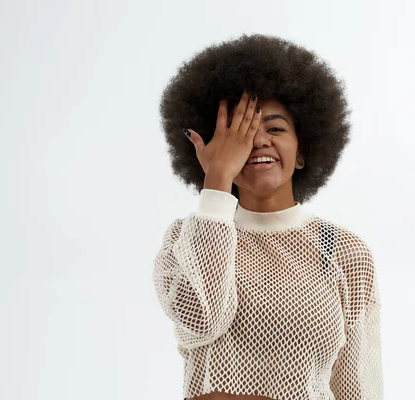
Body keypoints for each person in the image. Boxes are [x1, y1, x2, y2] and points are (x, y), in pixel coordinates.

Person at [153, 33, 384, 400]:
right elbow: (202, 319)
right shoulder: (186, 239)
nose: (257, 142)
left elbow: (357, 388)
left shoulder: (342, 252)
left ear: (303, 149)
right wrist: (217, 181)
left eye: (275, 128)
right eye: (238, 135)